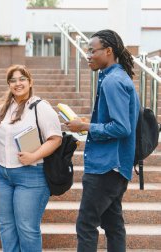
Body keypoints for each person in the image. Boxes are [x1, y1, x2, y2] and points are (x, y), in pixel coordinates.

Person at [65, 29, 140, 252]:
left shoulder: (112, 81)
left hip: (106, 166)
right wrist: (92, 123)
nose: (87, 55)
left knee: (86, 224)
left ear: (108, 51)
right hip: (115, 165)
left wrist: (84, 126)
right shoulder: (116, 77)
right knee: (113, 224)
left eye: (91, 51)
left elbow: (122, 127)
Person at [0, 65, 62, 252]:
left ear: (30, 82)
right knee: (6, 226)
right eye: (13, 80)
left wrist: (34, 155)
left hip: (31, 175)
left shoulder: (41, 108)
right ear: (9, 84)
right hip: (1, 176)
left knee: (27, 228)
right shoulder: (1, 110)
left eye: (22, 79)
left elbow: (55, 139)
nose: (18, 83)